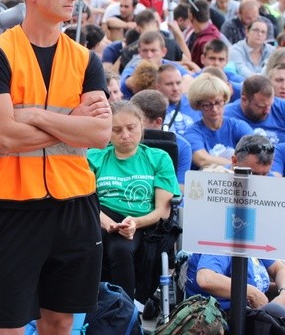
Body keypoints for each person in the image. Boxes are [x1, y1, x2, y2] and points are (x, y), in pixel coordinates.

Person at [0, 0, 112, 334]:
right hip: (16, 207)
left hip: (76, 204)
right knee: (7, 324)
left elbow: (100, 133)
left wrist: (33, 115)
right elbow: (3, 135)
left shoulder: (85, 59)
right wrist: (71, 122)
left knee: (61, 320)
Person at [87, 101, 179, 300]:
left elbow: (162, 211)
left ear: (141, 124)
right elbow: (86, 199)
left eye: (131, 128)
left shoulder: (159, 158)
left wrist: (135, 223)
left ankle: (125, 311)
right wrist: (106, 222)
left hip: (143, 220)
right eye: (117, 130)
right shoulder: (94, 157)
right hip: (101, 215)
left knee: (120, 247)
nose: (125, 135)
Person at [186, 135, 285, 311]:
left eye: (265, 175)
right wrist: (252, 293)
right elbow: (206, 278)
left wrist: (282, 295)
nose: (259, 182)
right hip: (226, 317)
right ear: (233, 161)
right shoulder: (222, 223)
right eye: (252, 174)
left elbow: (278, 267)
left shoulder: (252, 218)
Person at [184, 73, 254, 169]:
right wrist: (237, 166)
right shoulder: (192, 132)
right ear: (198, 105)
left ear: (224, 100)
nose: (214, 109)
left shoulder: (238, 126)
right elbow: (202, 159)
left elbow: (255, 152)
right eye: (207, 105)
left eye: (218, 102)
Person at [224, 75, 285, 145]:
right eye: (261, 106)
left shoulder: (281, 107)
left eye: (270, 105)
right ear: (244, 99)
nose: (267, 111)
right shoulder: (226, 117)